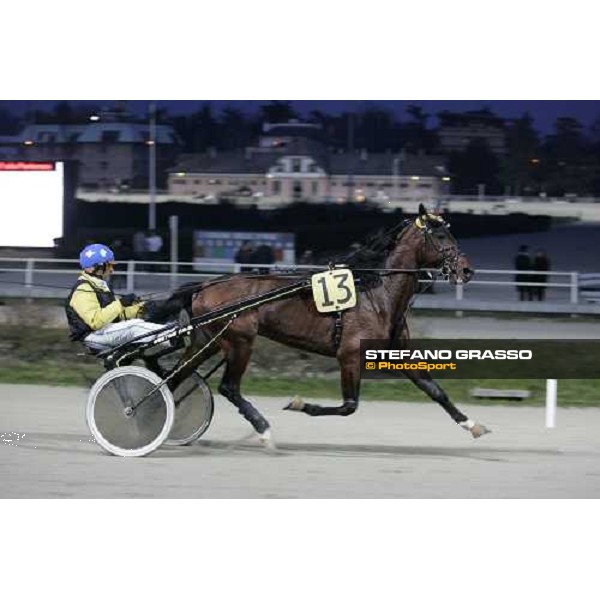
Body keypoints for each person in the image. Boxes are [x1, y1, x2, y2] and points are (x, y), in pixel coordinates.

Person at [65, 243, 185, 352]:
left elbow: (116, 316)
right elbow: (96, 322)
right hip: (93, 336)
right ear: (98, 267)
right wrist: (120, 303)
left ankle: (171, 332)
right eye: (109, 266)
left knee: (138, 321)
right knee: (134, 326)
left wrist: (141, 309)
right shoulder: (83, 290)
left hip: (104, 331)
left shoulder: (99, 286)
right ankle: (172, 334)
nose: (112, 270)